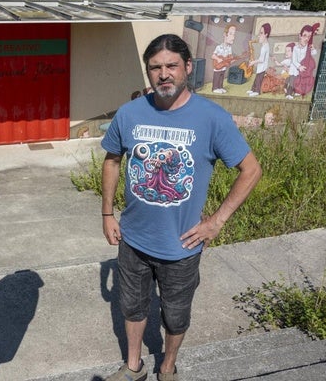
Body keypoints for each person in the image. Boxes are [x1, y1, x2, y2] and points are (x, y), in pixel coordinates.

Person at [101, 34, 262, 381]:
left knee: (175, 316)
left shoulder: (211, 118)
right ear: (148, 72)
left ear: (188, 67)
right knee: (132, 307)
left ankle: (167, 366)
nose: (164, 74)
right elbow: (112, 160)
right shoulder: (129, 113)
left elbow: (251, 169)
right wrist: (107, 214)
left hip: (183, 246)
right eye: (155, 67)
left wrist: (217, 221)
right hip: (133, 239)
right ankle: (133, 366)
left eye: (171, 65)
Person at [211, 24, 238, 94]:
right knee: (217, 76)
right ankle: (215, 88)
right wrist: (218, 59)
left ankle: (220, 87)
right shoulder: (219, 47)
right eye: (231, 34)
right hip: (218, 66)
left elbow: (229, 59)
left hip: (223, 67)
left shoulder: (229, 48)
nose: (233, 37)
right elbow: (213, 56)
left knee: (222, 77)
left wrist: (234, 59)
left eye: (234, 35)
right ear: (225, 35)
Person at [246, 23, 271, 97]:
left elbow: (261, 59)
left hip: (262, 66)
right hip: (261, 66)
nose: (259, 35)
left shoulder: (264, 47)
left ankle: (257, 91)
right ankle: (253, 89)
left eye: (261, 33)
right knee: (257, 78)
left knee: (258, 79)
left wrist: (253, 62)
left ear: (266, 34)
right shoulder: (265, 45)